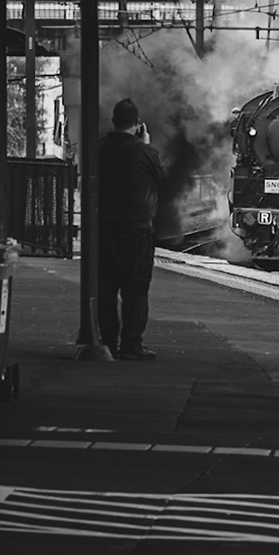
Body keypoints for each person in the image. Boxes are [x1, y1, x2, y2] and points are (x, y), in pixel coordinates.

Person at [98, 97, 165, 361]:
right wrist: (146, 145)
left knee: (105, 290)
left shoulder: (100, 148)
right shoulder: (146, 152)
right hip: (137, 231)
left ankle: (108, 342)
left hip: (104, 229)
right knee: (135, 290)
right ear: (137, 124)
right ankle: (131, 344)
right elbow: (161, 179)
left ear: (114, 122)